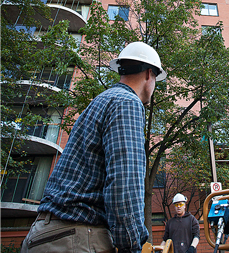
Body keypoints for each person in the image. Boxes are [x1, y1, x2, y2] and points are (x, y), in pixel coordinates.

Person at [21, 42, 166, 253]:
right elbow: (124, 184)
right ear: (148, 74)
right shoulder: (127, 102)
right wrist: (132, 245)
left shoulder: (101, 100)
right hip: (76, 238)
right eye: (156, 80)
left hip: (45, 234)